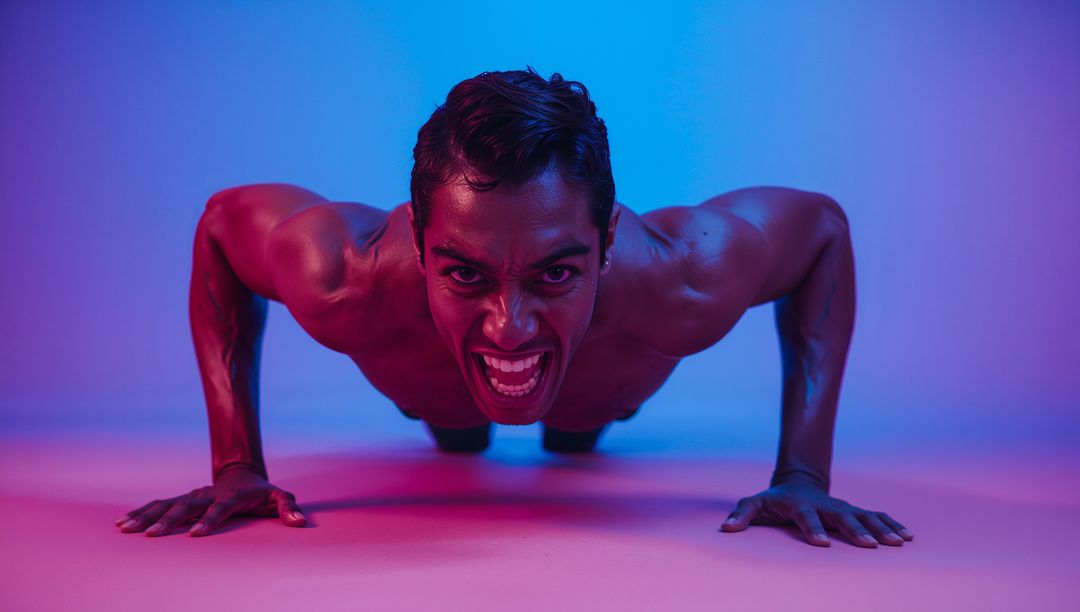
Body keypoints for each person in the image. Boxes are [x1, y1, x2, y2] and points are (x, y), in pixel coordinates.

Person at [115, 67, 914, 548]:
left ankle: (565, 414)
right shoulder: (344, 277)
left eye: (556, 275)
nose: (510, 322)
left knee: (573, 433)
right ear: (421, 242)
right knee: (459, 432)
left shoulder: (682, 280)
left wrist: (802, 473)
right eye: (464, 274)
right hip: (432, 380)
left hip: (600, 384)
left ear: (603, 243)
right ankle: (467, 409)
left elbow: (822, 233)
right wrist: (236, 466)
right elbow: (223, 226)